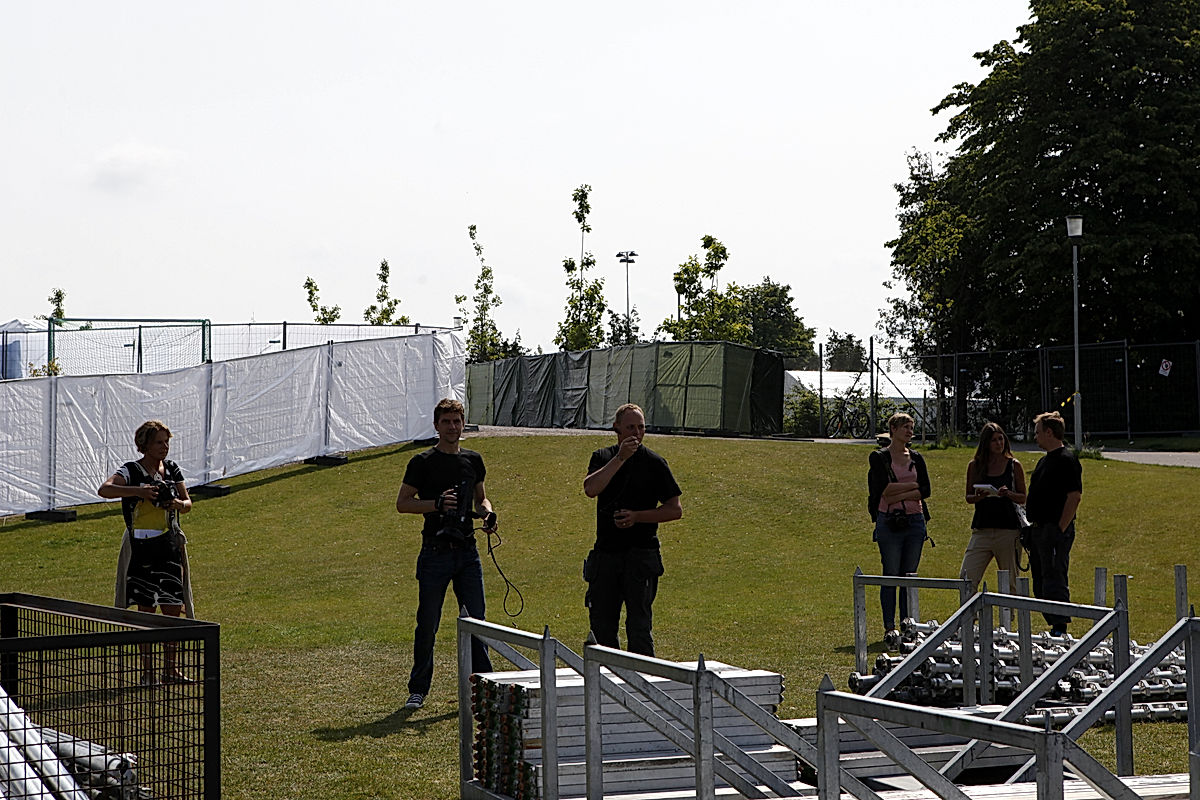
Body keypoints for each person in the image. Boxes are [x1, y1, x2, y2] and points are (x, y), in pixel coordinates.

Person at [395, 397, 498, 711]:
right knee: (428, 622)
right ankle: (418, 690)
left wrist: (488, 514)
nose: (452, 427)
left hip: (468, 551)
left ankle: (484, 689)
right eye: (446, 422)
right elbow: (403, 503)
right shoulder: (422, 462)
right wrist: (436, 504)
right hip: (435, 552)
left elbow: (482, 499)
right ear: (436, 425)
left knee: (478, 622)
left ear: (463, 424)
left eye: (457, 421)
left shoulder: (474, 459)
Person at [98, 419, 195, 686]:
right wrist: (138, 491)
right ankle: (148, 673)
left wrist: (174, 502)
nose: (165, 447)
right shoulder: (131, 470)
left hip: (168, 545)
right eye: (159, 442)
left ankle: (171, 670)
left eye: (167, 442)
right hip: (140, 547)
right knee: (145, 612)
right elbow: (105, 489)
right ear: (145, 445)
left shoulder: (172, 469)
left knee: (173, 608)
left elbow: (187, 504)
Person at [583, 403, 682, 657]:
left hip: (641, 557)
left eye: (641, 427)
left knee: (639, 627)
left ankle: (643, 689)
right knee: (602, 628)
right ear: (616, 428)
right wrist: (620, 459)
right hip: (606, 556)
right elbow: (591, 489)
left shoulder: (655, 463)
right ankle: (604, 687)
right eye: (630, 427)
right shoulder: (602, 457)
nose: (636, 433)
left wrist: (638, 517)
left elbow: (674, 509)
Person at [866, 412, 931, 643]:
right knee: (891, 574)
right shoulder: (879, 457)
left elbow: (926, 490)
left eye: (912, 427)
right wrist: (911, 489)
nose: (909, 431)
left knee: (909, 576)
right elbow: (884, 490)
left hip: (915, 521)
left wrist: (904, 488)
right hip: (889, 521)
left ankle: (908, 626)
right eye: (905, 426)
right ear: (893, 429)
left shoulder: (917, 458)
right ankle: (889, 626)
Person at [1025, 410, 1083, 636]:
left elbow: (1074, 496)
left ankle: (1060, 626)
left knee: (1055, 576)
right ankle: (1052, 623)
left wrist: (1060, 529)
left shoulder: (1067, 459)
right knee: (1039, 580)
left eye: (1038, 432)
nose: (1035, 437)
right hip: (1038, 528)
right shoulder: (1043, 461)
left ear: (1049, 433)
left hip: (1055, 528)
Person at [959, 422, 1026, 591]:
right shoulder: (975, 465)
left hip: (1008, 531)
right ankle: (969, 616)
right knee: (967, 577)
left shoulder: (1013, 465)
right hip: (982, 529)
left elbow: (1023, 497)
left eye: (1001, 439)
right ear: (986, 443)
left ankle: (1008, 616)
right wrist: (979, 497)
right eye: (994, 440)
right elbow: (968, 497)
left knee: (1010, 582)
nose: (999, 443)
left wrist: (1008, 493)